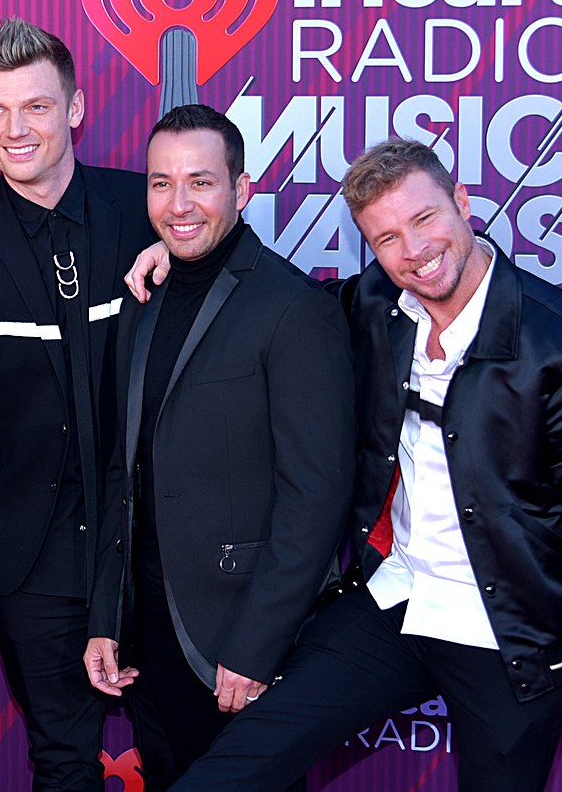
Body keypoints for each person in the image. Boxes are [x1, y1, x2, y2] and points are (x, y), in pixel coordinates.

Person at [164, 138, 562, 791]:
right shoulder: (372, 305)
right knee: (239, 762)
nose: (414, 251)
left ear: (463, 203)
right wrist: (183, 260)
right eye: (387, 237)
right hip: (395, 602)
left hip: (509, 633)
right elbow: (285, 304)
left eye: (424, 220)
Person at [0, 18, 155, 790]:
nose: (15, 130)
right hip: (31, 550)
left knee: (200, 746)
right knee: (62, 758)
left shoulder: (149, 211)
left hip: (156, 538)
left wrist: (189, 255)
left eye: (37, 107)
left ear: (77, 108)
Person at [82, 104, 355, 790]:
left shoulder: (293, 308)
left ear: (244, 188)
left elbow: (315, 497)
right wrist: (107, 617)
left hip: (238, 640)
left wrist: (257, 646)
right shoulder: (143, 296)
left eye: (201, 182)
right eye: (160, 183)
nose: (179, 205)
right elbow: (127, 468)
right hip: (150, 635)